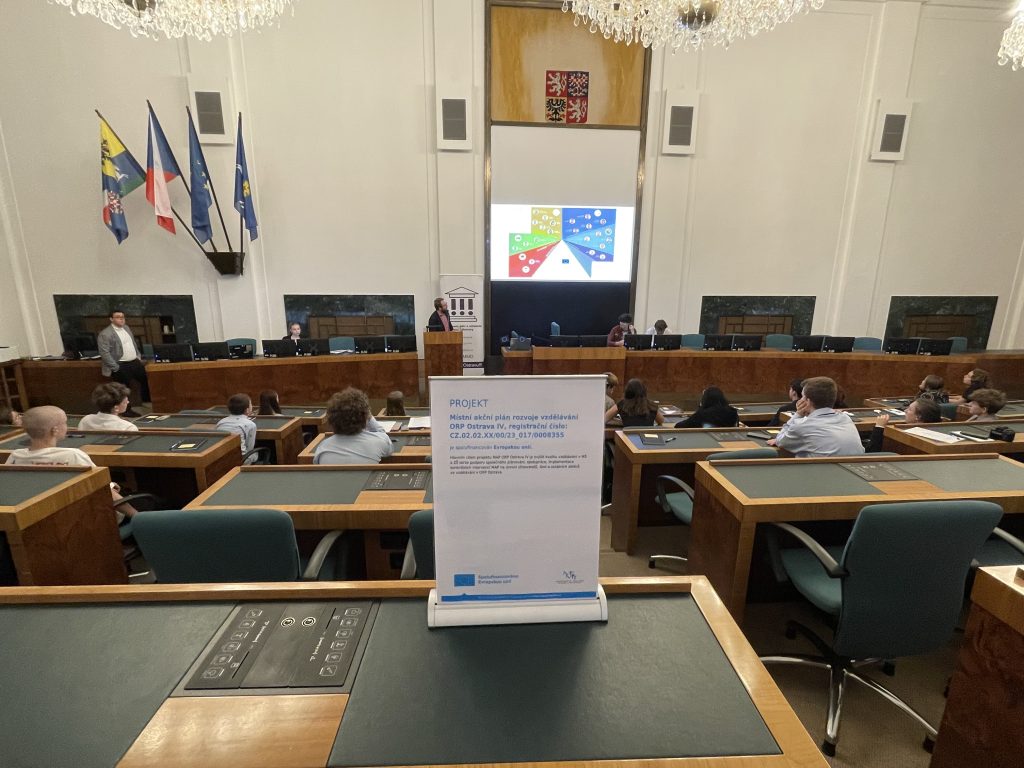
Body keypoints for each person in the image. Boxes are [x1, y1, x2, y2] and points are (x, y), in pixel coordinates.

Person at [5, 406, 136, 521]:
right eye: (64, 423)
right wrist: (137, 516)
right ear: (55, 430)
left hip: (36, 519)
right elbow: (105, 491)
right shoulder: (73, 455)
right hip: (84, 520)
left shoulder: (15, 457)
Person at [768, 376, 864, 457]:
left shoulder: (803, 426)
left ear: (807, 401)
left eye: (803, 397)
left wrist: (798, 414)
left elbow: (780, 441)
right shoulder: (846, 419)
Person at [314, 387, 394, 464]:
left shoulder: (323, 449)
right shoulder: (380, 441)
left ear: (332, 418)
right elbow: (387, 445)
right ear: (365, 417)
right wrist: (369, 416)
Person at [96, 309, 149, 416]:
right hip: (121, 365)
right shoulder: (105, 334)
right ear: (111, 319)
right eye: (118, 317)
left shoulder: (126, 328)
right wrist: (115, 367)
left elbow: (133, 343)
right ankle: (126, 411)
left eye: (123, 317)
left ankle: (147, 402)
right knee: (123, 389)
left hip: (134, 361)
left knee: (145, 379)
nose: (121, 319)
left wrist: (138, 356)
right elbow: (104, 353)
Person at [867, 397, 941, 452]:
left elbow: (871, 452)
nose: (905, 410)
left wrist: (879, 427)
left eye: (909, 409)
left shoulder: (907, 438)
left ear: (918, 417)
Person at [674, 387, 739, 429]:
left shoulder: (703, 414)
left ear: (705, 399)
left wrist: (701, 407)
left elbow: (679, 426)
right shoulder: (733, 412)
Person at [216, 393, 257, 458]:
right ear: (247, 410)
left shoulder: (221, 422)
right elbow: (250, 448)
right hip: (241, 459)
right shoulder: (251, 425)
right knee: (256, 454)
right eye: (251, 404)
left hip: (222, 458)